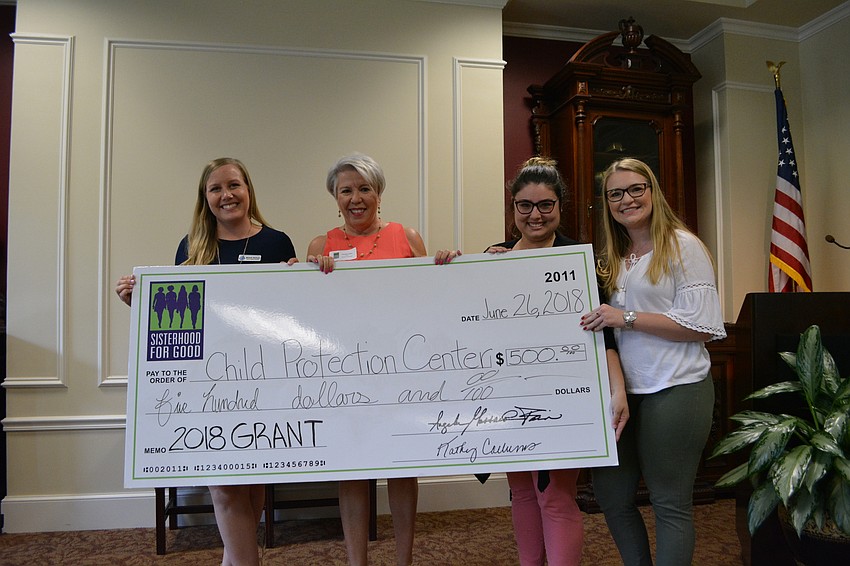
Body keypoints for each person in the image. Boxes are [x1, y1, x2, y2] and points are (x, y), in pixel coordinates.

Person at [435, 157, 629, 566]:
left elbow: (604, 335)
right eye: (525, 205)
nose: (535, 214)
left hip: (566, 395)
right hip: (506, 395)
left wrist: (617, 391)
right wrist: (451, 270)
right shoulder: (493, 259)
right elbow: (462, 320)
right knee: (521, 490)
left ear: (560, 206)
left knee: (555, 495)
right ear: (513, 209)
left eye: (545, 205)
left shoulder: (580, 263)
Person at [115, 157, 297, 566]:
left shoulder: (278, 243)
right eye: (215, 188)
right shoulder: (191, 247)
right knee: (225, 487)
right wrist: (139, 303)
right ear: (206, 198)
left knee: (252, 486)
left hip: (265, 382)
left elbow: (291, 319)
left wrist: (300, 283)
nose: (226, 194)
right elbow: (179, 322)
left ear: (248, 189)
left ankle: (232, 560)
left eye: (234, 185)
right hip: (208, 387)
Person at [581, 157, 726, 566]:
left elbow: (703, 326)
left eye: (635, 189)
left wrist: (624, 316)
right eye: (615, 194)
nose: (626, 199)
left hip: (677, 388)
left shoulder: (684, 245)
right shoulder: (615, 255)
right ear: (606, 202)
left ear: (652, 191)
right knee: (611, 496)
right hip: (623, 393)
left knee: (669, 502)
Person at [307, 153, 426, 566]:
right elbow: (310, 317)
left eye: (364, 188)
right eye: (346, 190)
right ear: (335, 197)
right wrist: (303, 276)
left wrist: (445, 268)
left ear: (378, 192)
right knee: (352, 468)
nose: (356, 198)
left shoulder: (407, 238)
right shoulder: (321, 246)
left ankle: (403, 560)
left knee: (401, 466)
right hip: (345, 376)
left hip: (400, 372)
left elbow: (429, 303)